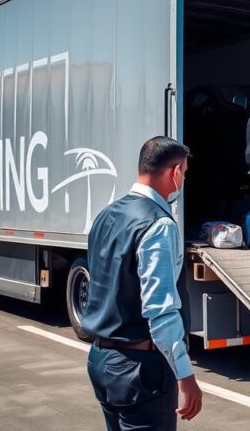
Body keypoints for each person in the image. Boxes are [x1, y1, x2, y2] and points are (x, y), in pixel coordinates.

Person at [82, 136, 203, 430]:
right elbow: (160, 310)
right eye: (184, 173)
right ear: (175, 172)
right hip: (139, 370)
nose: (183, 180)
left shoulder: (105, 215)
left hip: (101, 360)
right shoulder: (158, 224)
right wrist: (185, 375)